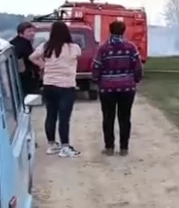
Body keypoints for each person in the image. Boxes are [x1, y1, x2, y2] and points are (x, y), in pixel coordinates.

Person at [29, 21, 81, 158]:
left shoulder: (46, 46)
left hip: (49, 85)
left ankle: (52, 145)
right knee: (64, 118)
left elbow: (32, 57)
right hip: (66, 86)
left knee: (51, 115)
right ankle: (65, 146)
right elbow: (77, 58)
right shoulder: (74, 47)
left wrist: (43, 65)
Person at [93, 20, 143, 156]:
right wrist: (136, 80)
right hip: (127, 88)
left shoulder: (102, 48)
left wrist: (97, 81)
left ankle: (109, 148)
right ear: (124, 31)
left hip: (107, 88)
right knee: (125, 117)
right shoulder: (131, 47)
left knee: (108, 117)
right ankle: (124, 148)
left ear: (110, 30)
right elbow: (138, 66)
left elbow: (96, 67)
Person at [10, 22, 40, 97]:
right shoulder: (22, 45)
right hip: (22, 79)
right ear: (21, 34)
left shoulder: (20, 42)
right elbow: (30, 59)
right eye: (29, 31)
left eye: (33, 31)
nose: (32, 33)